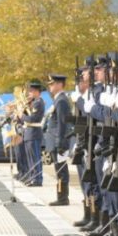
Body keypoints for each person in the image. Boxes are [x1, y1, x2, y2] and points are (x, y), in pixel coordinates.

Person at [44, 74, 72, 205]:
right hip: (55, 140)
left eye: (52, 83)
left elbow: (62, 123)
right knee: (59, 170)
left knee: (61, 171)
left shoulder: (61, 100)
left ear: (60, 85)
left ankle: (63, 198)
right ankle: (61, 197)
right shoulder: (58, 100)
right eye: (50, 84)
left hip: (58, 141)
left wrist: (60, 142)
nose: (50, 86)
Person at [22, 81, 45, 186]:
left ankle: (37, 179)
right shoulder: (33, 102)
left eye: (31, 91)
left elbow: (33, 118)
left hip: (34, 133)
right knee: (30, 158)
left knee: (35, 157)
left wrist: (21, 116)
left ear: (36, 92)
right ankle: (32, 177)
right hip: (29, 133)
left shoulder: (39, 102)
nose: (29, 93)